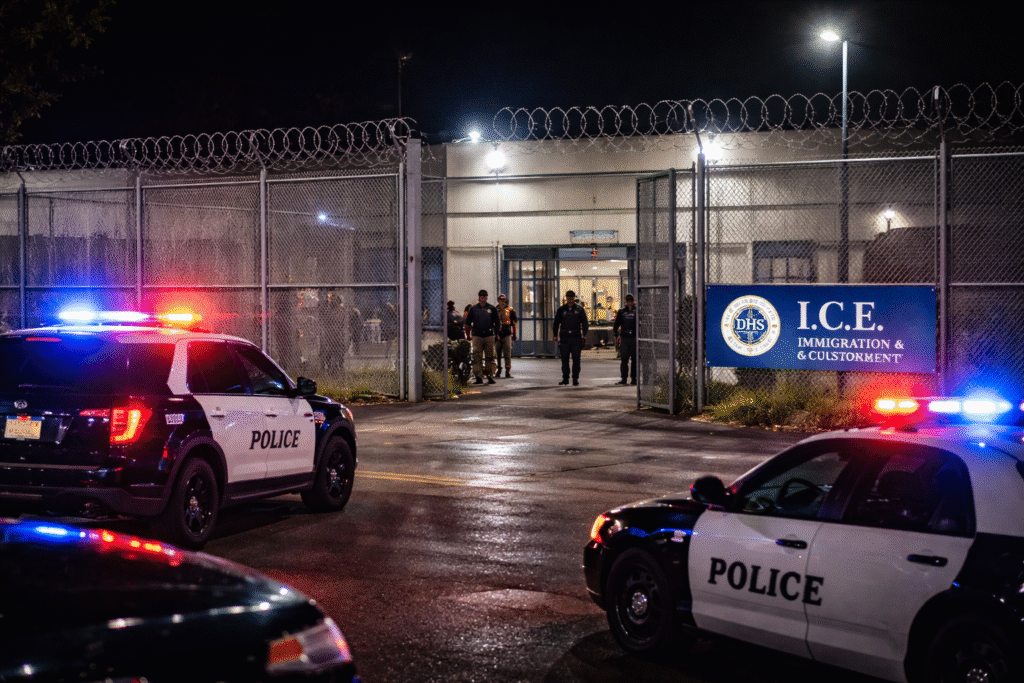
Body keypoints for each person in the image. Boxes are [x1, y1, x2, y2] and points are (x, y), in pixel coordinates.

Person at [553, 290, 589, 386]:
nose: (570, 299)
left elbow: (585, 323)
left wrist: (584, 335)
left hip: (576, 337)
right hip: (565, 338)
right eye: (568, 297)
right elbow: (556, 323)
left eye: (571, 297)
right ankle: (565, 378)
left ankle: (575, 378)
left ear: (574, 298)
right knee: (565, 359)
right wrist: (555, 335)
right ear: (566, 298)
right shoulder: (561, 310)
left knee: (576, 359)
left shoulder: (580, 309)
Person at [464, 289, 499, 384]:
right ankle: (478, 376)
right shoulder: (474, 309)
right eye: (482, 296)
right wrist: (468, 335)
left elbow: (497, 322)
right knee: (476, 356)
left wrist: (496, 334)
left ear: (487, 297)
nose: (483, 298)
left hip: (489, 335)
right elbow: (467, 323)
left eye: (485, 296)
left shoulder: (492, 309)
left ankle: (489, 375)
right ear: (479, 298)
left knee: (490, 356)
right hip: (477, 335)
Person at [614, 293, 637, 385]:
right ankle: (624, 378)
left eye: (631, 301)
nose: (630, 303)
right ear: (626, 302)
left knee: (634, 359)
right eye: (628, 301)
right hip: (625, 337)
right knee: (624, 359)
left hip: (634, 337)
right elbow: (616, 324)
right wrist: (616, 335)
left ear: (633, 301)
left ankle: (634, 379)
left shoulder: (637, 311)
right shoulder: (622, 311)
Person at [495, 294, 518, 378]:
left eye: (503, 299)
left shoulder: (510, 309)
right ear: (498, 300)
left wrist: (514, 334)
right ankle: (499, 369)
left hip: (507, 333)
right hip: (498, 334)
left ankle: (507, 370)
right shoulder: (495, 309)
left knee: (507, 353)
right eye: (500, 300)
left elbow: (514, 322)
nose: (502, 301)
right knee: (498, 354)